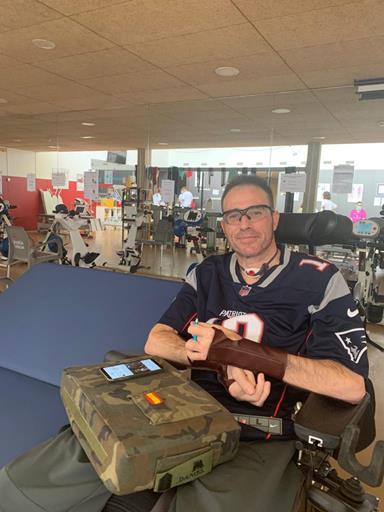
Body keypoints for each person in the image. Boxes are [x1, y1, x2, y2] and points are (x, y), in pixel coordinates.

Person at [0, 176, 368, 512]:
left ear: (273, 218)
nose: (244, 224)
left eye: (254, 213)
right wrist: (217, 358)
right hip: (182, 411)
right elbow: (158, 340)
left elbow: (350, 386)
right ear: (223, 225)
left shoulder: (319, 280)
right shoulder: (208, 272)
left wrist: (250, 355)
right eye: (234, 215)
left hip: (259, 433)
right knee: (35, 479)